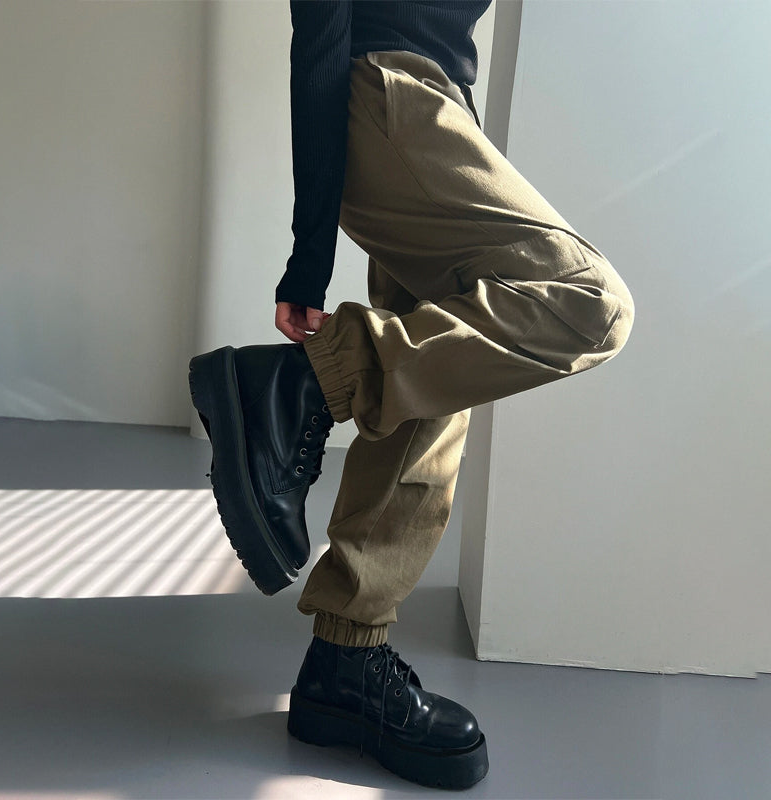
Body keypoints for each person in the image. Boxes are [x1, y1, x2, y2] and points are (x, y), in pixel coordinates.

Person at [188, 0, 634, 789]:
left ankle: (344, 662)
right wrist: (308, 254)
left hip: (427, 107)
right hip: (391, 94)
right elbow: (323, 21)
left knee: (430, 382)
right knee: (589, 302)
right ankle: (299, 388)